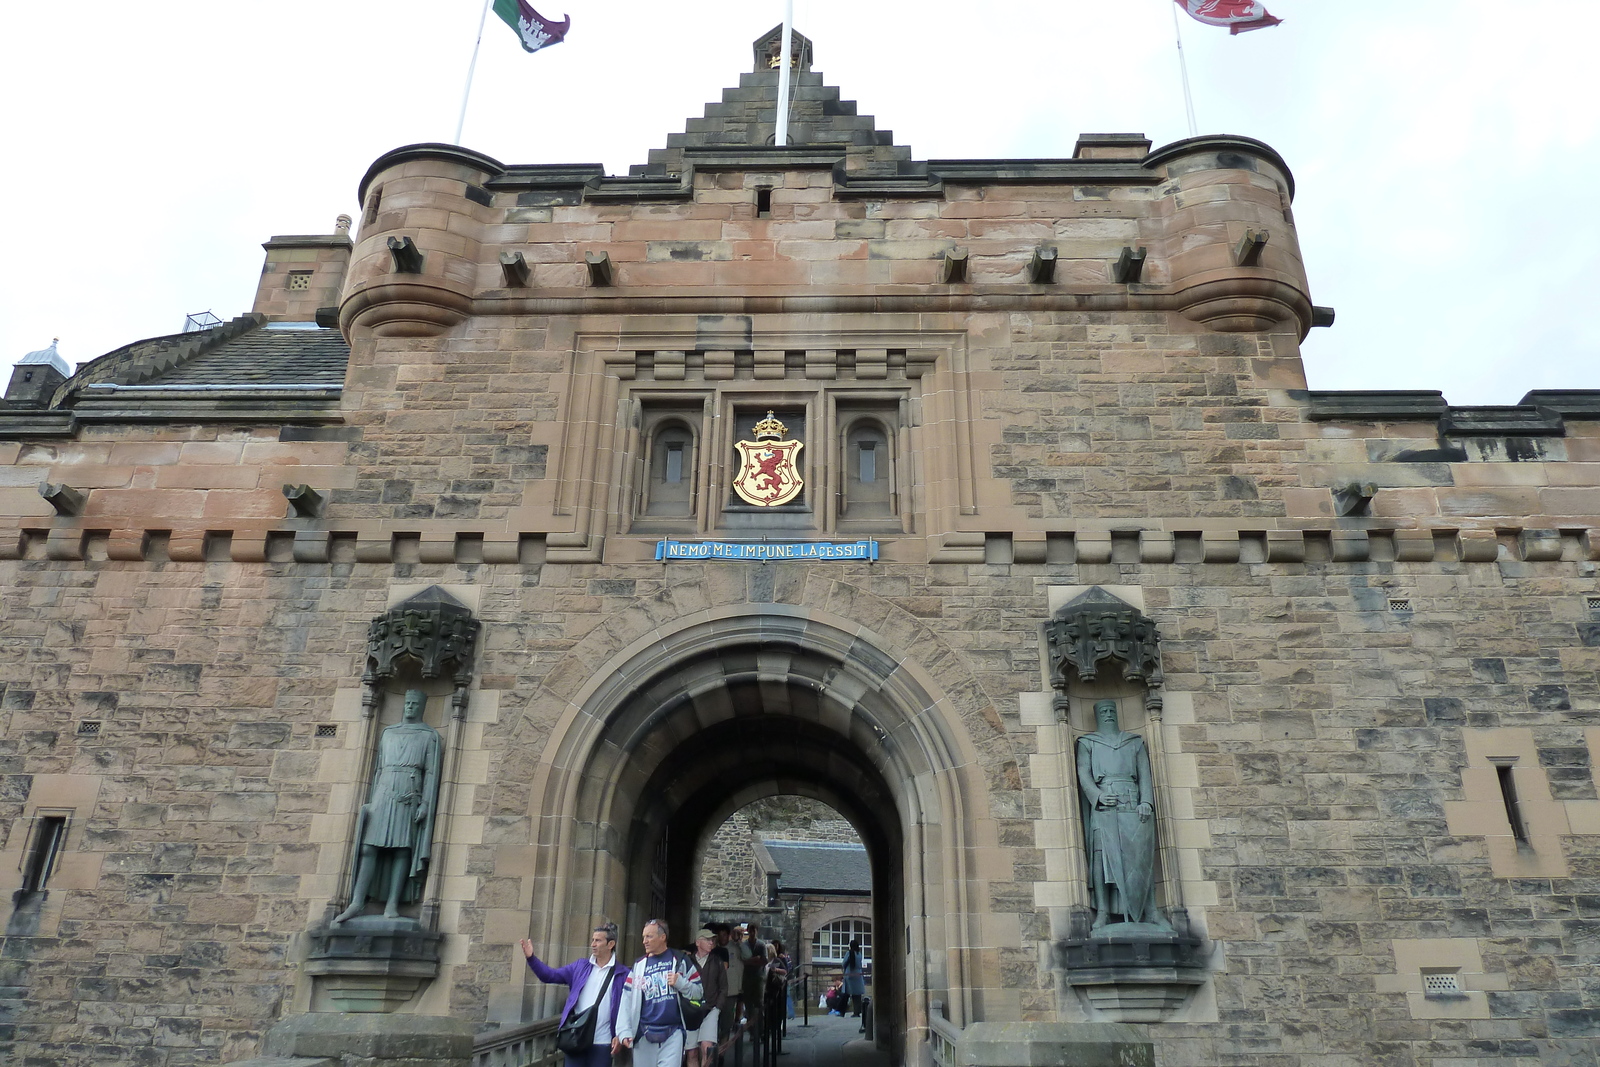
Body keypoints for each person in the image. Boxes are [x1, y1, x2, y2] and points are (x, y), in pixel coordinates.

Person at [334, 689, 441, 923]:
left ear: (422, 707)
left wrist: (426, 803)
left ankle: (392, 904)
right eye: (408, 703)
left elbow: (431, 773)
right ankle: (357, 901)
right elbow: (378, 769)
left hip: (409, 793)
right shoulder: (387, 733)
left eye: (415, 704)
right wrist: (373, 800)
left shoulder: (429, 736)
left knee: (402, 851)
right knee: (369, 848)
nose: (410, 707)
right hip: (384, 792)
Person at [1077, 699, 1170, 931]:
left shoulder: (1134, 742)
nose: (1108, 714)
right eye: (1104, 711)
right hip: (1105, 806)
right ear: (1098, 716)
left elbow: (1145, 774)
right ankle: (1103, 913)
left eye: (1111, 710)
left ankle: (1151, 910)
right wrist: (1097, 795)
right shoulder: (1088, 743)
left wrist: (1146, 801)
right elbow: (1083, 773)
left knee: (1141, 857)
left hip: (1132, 802)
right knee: (1101, 858)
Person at [520, 923, 625, 1067]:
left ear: (611, 944)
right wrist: (531, 958)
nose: (593, 944)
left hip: (603, 1042)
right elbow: (550, 976)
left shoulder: (623, 974)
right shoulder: (580, 967)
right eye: (593, 940)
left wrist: (620, 1034)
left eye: (598, 940)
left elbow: (627, 1009)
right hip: (576, 1039)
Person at [615, 918, 703, 1067]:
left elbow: (699, 993)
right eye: (643, 937)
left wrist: (681, 983)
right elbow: (626, 999)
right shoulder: (638, 966)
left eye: (649, 936)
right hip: (643, 1034)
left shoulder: (680, 960)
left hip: (673, 1033)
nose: (644, 941)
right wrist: (623, 1031)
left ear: (663, 937)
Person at [686, 929, 726, 1067]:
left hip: (711, 1009)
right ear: (698, 942)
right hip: (691, 1011)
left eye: (712, 940)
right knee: (691, 1052)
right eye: (707, 939)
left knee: (706, 1048)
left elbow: (723, 987)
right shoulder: (687, 962)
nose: (711, 942)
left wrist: (717, 1008)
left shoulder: (717, 962)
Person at [841, 939, 866, 1017]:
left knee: (846, 994)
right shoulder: (859, 954)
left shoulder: (849, 953)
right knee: (857, 995)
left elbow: (844, 963)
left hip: (850, 974)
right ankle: (857, 1012)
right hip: (858, 975)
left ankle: (842, 1011)